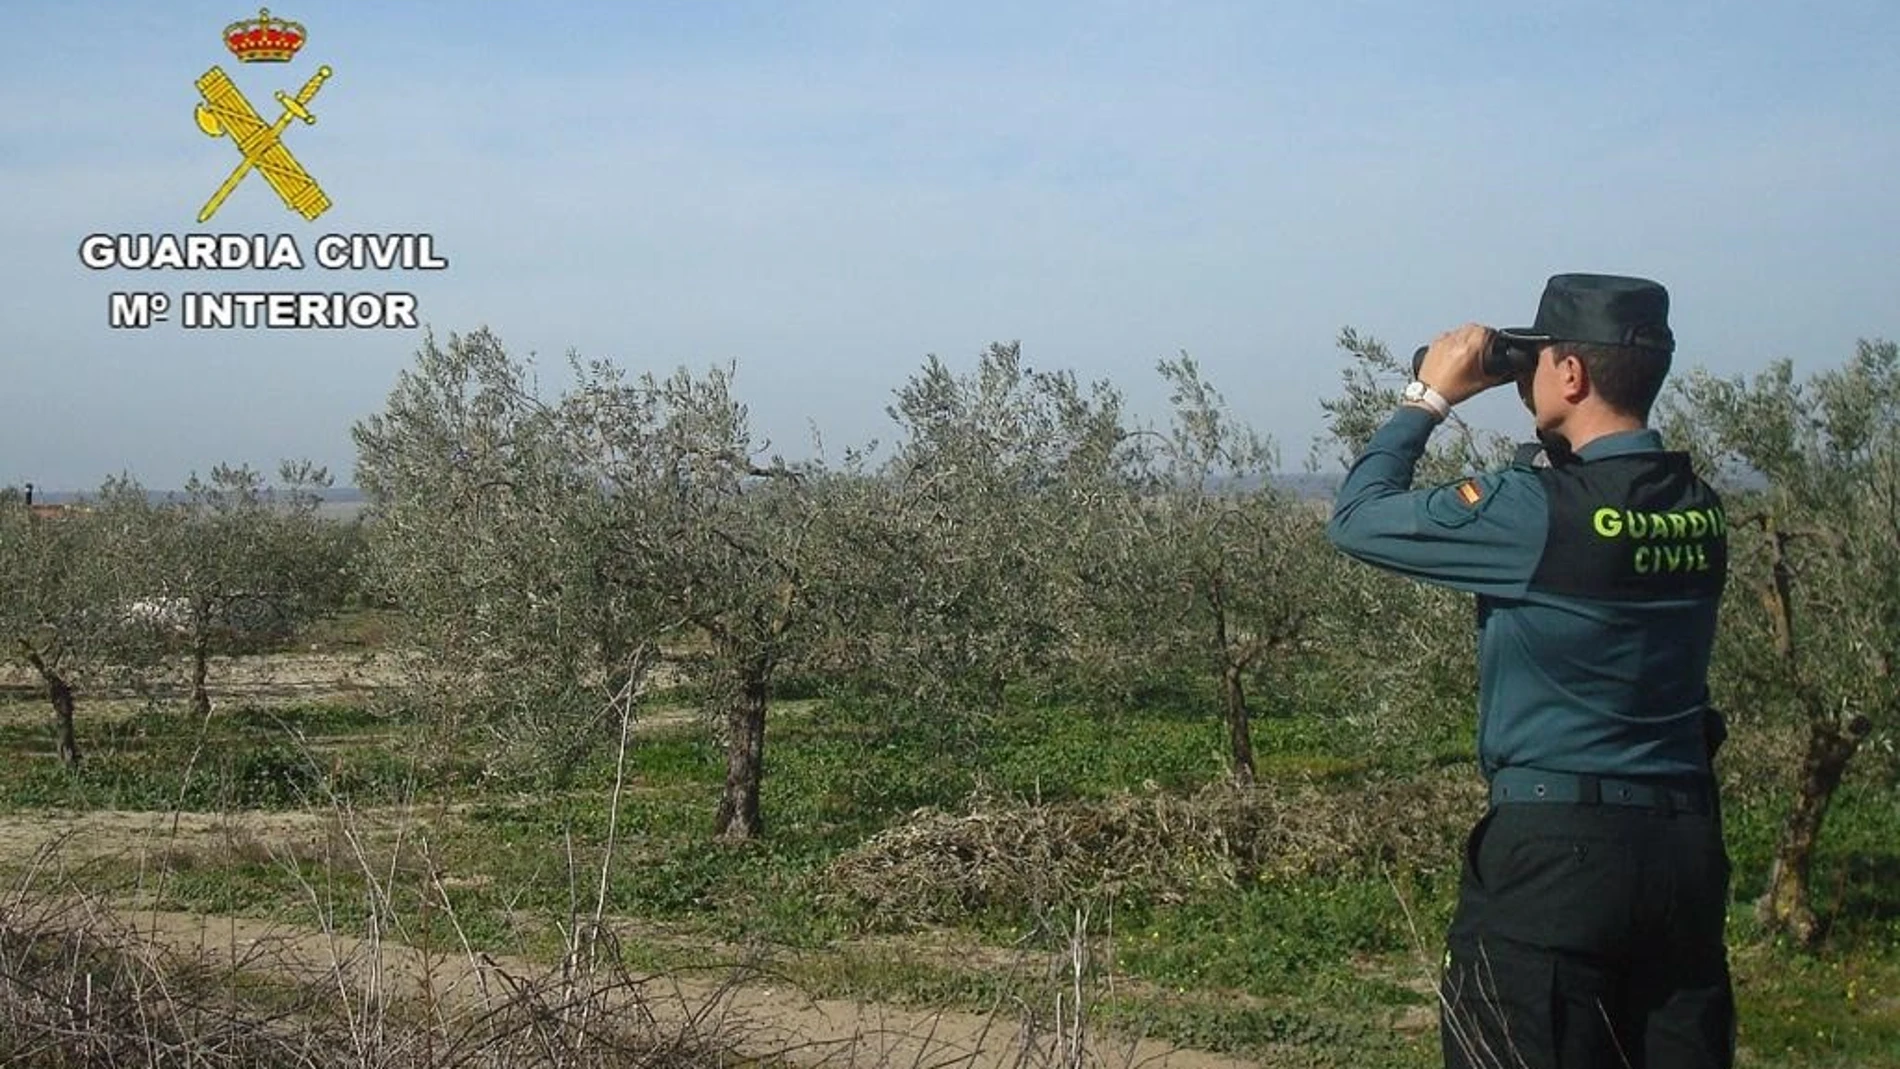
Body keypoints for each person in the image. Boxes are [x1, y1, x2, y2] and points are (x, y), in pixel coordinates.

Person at [1326, 274, 1734, 1068]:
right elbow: (1600, 495)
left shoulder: (1529, 513)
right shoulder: (1699, 507)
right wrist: (1537, 397)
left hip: (1556, 863)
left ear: (1573, 376)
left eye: (1541, 361)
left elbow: (1356, 519)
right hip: (1682, 861)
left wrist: (1428, 397)